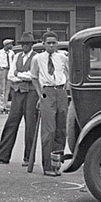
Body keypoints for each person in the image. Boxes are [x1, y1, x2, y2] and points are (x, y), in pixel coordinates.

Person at [0, 32, 39, 166]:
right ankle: (2, 155)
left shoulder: (36, 58)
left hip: (32, 93)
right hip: (18, 92)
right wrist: (21, 76)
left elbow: (33, 76)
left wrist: (19, 74)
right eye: (23, 44)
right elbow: (10, 75)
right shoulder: (16, 56)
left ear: (32, 45)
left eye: (27, 44)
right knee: (11, 122)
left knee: (30, 126)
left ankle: (28, 158)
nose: (25, 46)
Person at [30, 30, 69, 176]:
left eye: (54, 43)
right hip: (47, 92)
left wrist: (65, 88)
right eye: (48, 43)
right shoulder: (37, 58)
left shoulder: (63, 58)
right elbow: (34, 77)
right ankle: (47, 166)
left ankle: (56, 164)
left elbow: (70, 74)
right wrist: (40, 95)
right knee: (49, 131)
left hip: (61, 92)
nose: (51, 45)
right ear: (43, 44)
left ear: (57, 43)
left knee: (61, 130)